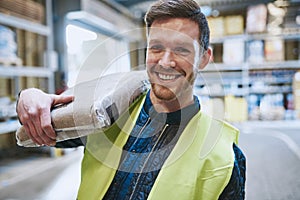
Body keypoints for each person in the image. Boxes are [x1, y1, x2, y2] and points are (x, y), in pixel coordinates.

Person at [16, 0, 246, 199]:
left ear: (204, 58)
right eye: (156, 47)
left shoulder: (224, 158)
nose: (165, 62)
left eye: (182, 50)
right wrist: (29, 97)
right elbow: (39, 128)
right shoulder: (106, 114)